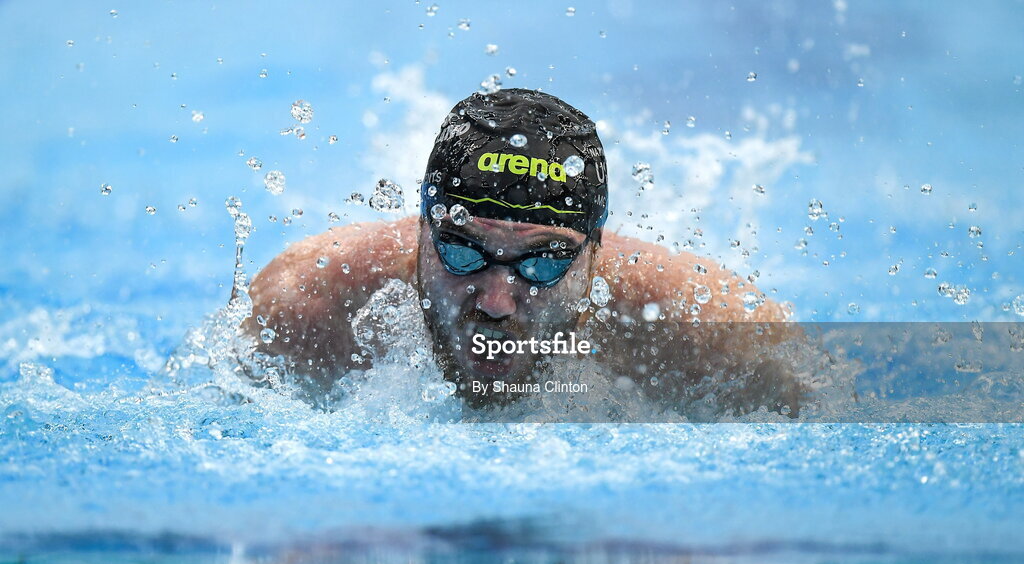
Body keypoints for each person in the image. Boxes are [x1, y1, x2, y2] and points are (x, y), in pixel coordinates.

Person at [244, 88, 806, 416]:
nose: (495, 301)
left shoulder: (713, 330)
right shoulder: (307, 305)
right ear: (420, 234)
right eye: (463, 252)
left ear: (594, 256)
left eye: (542, 264)